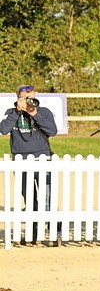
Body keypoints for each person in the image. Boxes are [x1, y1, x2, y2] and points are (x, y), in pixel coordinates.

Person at [0, 85, 59, 244]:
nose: (28, 101)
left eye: (30, 97)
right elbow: (4, 130)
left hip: (42, 158)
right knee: (30, 199)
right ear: (17, 98)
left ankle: (54, 231)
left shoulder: (44, 112)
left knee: (48, 198)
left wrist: (34, 113)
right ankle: (33, 233)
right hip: (21, 160)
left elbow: (52, 131)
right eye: (24, 98)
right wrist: (17, 112)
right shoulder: (11, 113)